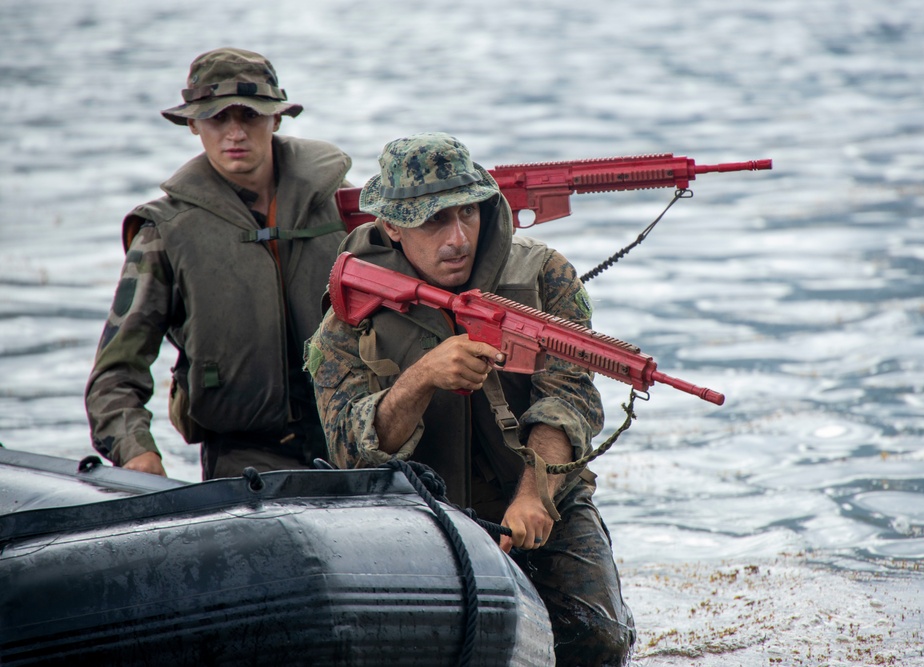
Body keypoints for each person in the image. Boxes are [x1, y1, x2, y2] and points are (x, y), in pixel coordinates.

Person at [306, 132, 635, 666]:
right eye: (434, 221)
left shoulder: (544, 276)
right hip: (416, 518)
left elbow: (568, 399)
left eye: (468, 214)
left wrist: (535, 494)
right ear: (392, 226)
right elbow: (349, 449)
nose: (457, 237)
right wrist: (420, 378)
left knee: (597, 640)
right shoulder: (351, 309)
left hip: (538, 495)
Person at [86, 47, 352, 479]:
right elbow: (116, 374)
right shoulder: (165, 232)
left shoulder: (342, 206)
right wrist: (137, 453)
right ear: (193, 124)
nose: (235, 133)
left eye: (249, 116)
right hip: (244, 459)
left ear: (276, 119)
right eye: (217, 118)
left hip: (355, 444)